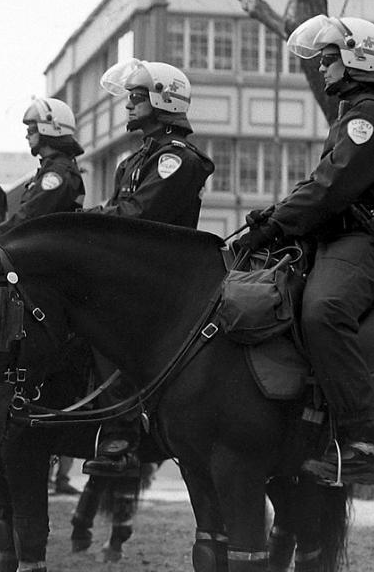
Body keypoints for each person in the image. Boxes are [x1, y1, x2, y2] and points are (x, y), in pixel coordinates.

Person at [237, 15, 374, 486]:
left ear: (357, 59)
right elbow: (320, 183)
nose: (322, 67)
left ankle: (361, 443)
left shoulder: (369, 115)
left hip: (366, 241)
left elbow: (332, 187)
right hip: (335, 238)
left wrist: (277, 223)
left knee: (324, 312)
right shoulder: (352, 114)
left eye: (330, 58)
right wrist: (274, 216)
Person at [82, 58, 214, 475]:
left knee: (104, 318)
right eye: (130, 97)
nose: (128, 104)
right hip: (131, 267)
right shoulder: (135, 159)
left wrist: (86, 220)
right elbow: (117, 209)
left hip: (164, 272)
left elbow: (139, 214)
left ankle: (121, 431)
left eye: (137, 97)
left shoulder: (177, 159)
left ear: (163, 100)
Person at [0, 97, 85, 239]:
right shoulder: (50, 170)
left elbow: (30, 215)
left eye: (31, 131)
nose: (26, 136)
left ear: (49, 130)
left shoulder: (58, 173)